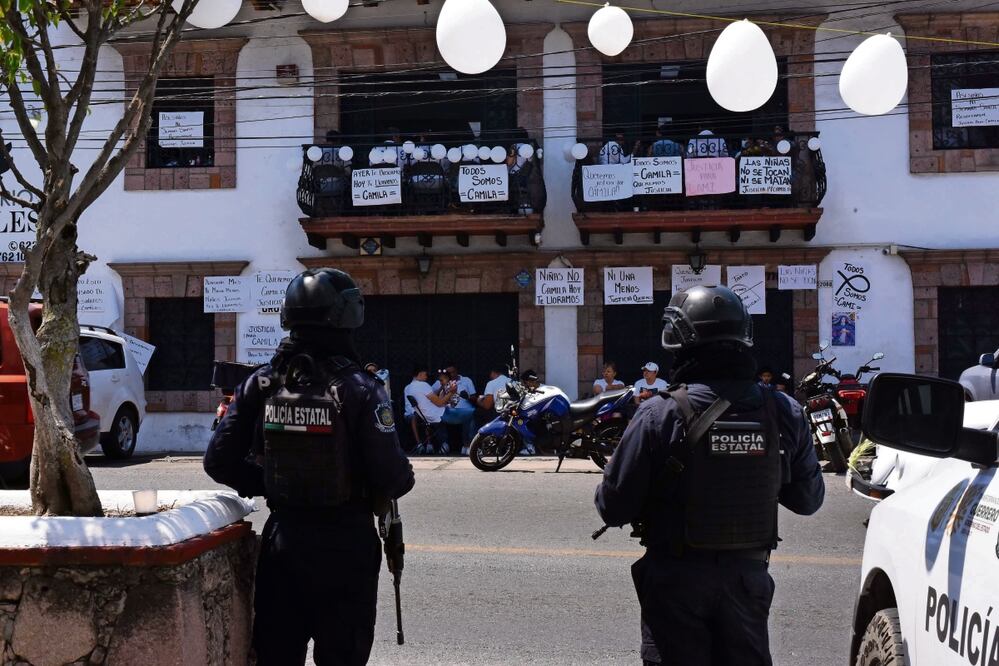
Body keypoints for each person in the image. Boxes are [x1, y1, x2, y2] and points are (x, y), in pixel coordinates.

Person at [594, 284, 824, 666]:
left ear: (681, 344)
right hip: (747, 580)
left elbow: (613, 507)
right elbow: (808, 500)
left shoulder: (658, 414)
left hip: (675, 582)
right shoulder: (783, 410)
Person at [204, 267, 415, 666]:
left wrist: (271, 482)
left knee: (276, 655)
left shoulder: (263, 382)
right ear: (347, 317)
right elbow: (394, 477)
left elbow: (219, 460)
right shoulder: (360, 388)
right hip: (346, 544)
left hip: (284, 539)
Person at [404, 366, 451, 454]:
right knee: (469, 414)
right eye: (425, 375)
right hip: (436, 415)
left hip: (425, 416)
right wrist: (452, 392)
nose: (427, 377)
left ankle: (433, 444)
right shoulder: (423, 385)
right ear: (420, 374)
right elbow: (440, 403)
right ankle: (451, 444)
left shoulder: (409, 387)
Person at [434, 364, 478, 454]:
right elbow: (432, 396)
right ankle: (444, 444)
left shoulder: (466, 380)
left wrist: (467, 397)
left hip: (464, 411)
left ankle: (467, 445)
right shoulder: (440, 381)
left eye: (452, 372)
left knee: (470, 415)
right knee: (435, 416)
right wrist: (442, 385)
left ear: (457, 371)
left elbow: (474, 397)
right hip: (448, 411)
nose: (451, 374)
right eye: (448, 372)